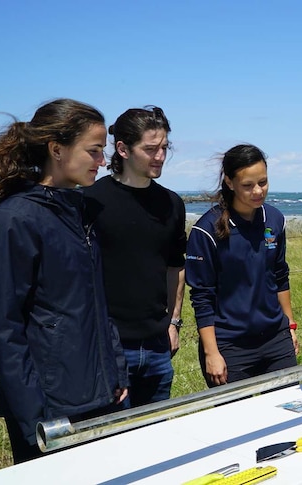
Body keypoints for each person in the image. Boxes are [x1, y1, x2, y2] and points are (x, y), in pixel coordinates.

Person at [0, 99, 129, 463]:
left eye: (103, 152)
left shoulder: (82, 211)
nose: (102, 162)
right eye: (93, 151)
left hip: (101, 395)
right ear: (57, 149)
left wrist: (117, 372)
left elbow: (97, 305)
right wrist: (35, 418)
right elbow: (3, 329)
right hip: (52, 409)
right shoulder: (13, 221)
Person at [84, 106, 186, 408]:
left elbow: (175, 267)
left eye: (164, 148)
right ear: (123, 149)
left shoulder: (171, 203)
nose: (160, 156)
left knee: (153, 438)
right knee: (113, 445)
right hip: (108, 348)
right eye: (150, 149)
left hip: (158, 345)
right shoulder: (90, 201)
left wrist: (174, 323)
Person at [185, 144, 299, 386]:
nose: (258, 191)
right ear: (229, 182)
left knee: (289, 415)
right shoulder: (206, 230)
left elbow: (280, 276)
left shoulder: (275, 219)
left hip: (276, 338)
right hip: (229, 345)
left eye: (263, 182)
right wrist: (211, 353)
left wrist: (290, 326)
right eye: (248, 185)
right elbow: (202, 297)